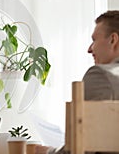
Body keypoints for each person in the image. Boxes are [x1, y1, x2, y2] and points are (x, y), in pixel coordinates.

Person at [36, 10, 119, 154]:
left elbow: (83, 146)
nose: (89, 49)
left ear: (113, 40)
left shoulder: (101, 76)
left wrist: (48, 152)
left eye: (94, 40)